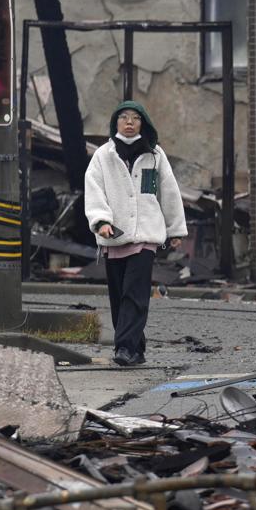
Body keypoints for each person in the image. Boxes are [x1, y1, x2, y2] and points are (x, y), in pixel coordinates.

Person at [84, 100, 185, 366]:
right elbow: (94, 190)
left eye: (135, 118)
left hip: (146, 236)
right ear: (115, 123)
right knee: (119, 295)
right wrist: (101, 220)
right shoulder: (103, 156)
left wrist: (174, 229)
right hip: (113, 236)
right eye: (124, 118)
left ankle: (124, 347)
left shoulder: (155, 155)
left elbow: (169, 192)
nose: (129, 122)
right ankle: (136, 348)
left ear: (144, 123)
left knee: (134, 292)